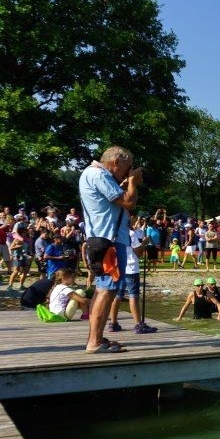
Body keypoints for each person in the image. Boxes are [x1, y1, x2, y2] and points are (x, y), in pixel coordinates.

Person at [79, 145, 140, 353]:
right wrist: (132, 183)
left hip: (103, 239)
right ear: (117, 162)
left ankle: (95, 338)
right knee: (106, 290)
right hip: (109, 241)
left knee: (104, 289)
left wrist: (124, 182)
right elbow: (128, 202)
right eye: (127, 166)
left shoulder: (92, 174)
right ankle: (94, 342)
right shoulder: (99, 175)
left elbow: (111, 202)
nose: (128, 170)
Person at [106, 221, 158, 334]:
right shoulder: (130, 233)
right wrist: (144, 243)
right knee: (133, 296)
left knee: (117, 296)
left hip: (119, 268)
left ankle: (113, 323)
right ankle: (138, 325)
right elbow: (138, 252)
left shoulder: (114, 234)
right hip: (131, 268)